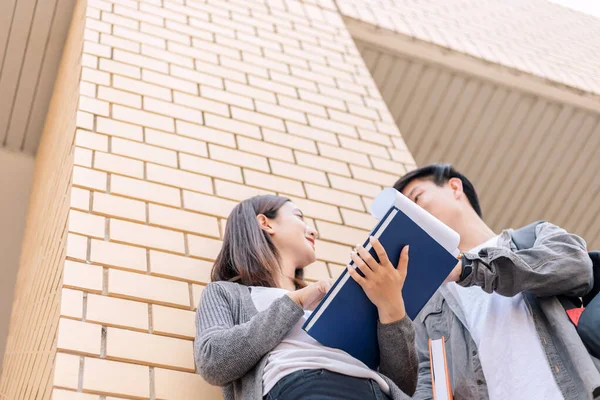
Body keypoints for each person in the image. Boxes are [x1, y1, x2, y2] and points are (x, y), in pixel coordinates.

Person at [393, 163, 600, 400]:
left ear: (454, 187)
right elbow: (427, 380)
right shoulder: (429, 306)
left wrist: (468, 268)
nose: (414, 215)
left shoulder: (531, 237)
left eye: (416, 198)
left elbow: (577, 267)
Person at [194, 195, 418, 400]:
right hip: (308, 387)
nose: (314, 232)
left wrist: (392, 308)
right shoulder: (226, 292)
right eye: (299, 216)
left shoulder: (328, 298)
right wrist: (296, 302)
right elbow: (213, 361)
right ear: (265, 223)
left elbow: (404, 385)